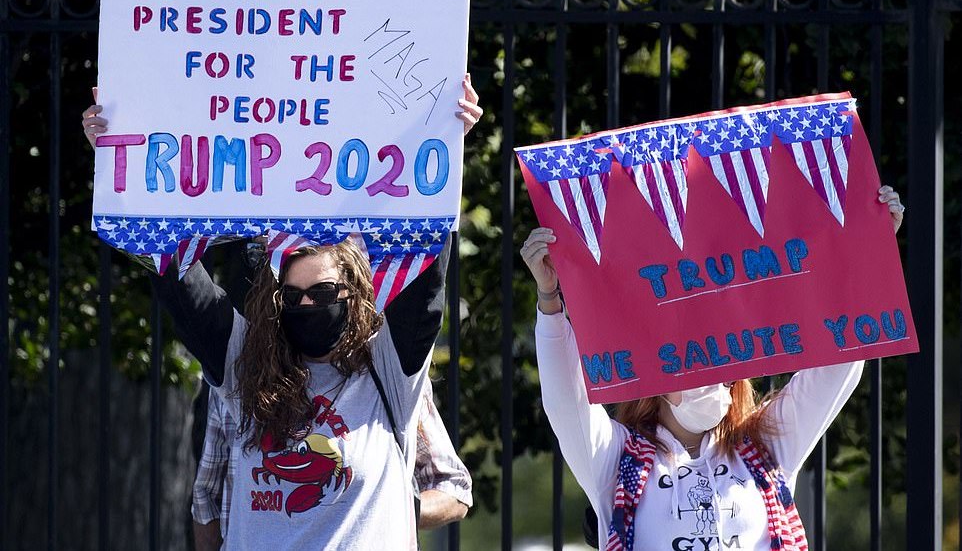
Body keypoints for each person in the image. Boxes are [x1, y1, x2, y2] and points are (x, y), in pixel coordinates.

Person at [84, 75, 482, 550]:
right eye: (293, 297)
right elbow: (174, 271)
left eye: (323, 291)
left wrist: (445, 144)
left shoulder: (388, 370)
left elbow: (426, 280)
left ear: (355, 294)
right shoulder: (243, 363)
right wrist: (118, 155)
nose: (308, 305)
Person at [520, 187, 904, 550]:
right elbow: (566, 401)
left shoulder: (765, 446)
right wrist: (550, 299)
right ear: (656, 377)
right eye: (691, 364)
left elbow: (840, 362)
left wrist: (871, 247)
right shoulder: (614, 459)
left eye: (719, 365)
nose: (708, 376)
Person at [191, 380, 473, 550]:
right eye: (291, 293)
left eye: (323, 291)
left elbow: (453, 487)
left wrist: (391, 507)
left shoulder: (392, 377)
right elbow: (207, 498)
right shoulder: (238, 376)